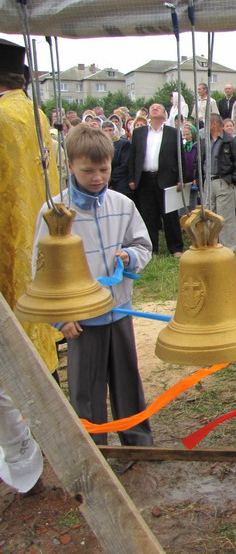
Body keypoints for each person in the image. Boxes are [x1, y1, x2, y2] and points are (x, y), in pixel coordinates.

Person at [35, 124, 153, 447]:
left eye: (104, 169)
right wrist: (61, 317)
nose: (98, 177)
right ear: (70, 165)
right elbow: (42, 272)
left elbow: (143, 245)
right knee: (86, 388)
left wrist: (130, 256)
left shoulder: (122, 205)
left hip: (119, 310)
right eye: (88, 171)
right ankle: (94, 448)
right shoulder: (54, 214)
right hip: (81, 320)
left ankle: (138, 443)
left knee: (128, 381)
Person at [0, 38, 60, 494]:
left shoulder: (3, 117)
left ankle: (23, 453)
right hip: (40, 247)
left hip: (8, 246)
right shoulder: (34, 114)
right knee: (37, 337)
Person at [128, 102, 184, 257]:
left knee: (170, 216)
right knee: (148, 216)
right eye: (152, 107)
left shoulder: (173, 133)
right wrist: (132, 178)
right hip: (145, 179)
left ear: (165, 115)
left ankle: (176, 248)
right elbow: (133, 157)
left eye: (158, 107)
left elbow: (180, 157)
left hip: (167, 179)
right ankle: (150, 248)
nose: (154, 108)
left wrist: (181, 178)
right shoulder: (139, 132)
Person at [196, 113, 236, 250]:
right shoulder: (204, 141)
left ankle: (228, 249)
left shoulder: (230, 142)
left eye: (207, 124)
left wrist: (232, 180)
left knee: (225, 217)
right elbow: (200, 161)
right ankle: (211, 245)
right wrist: (199, 179)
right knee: (208, 215)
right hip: (208, 181)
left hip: (223, 182)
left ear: (214, 124)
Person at [102, 121, 133, 197]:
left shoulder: (124, 143)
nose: (108, 133)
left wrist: (111, 177)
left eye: (110, 130)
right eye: (105, 130)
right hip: (104, 180)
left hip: (120, 181)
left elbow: (124, 164)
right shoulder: (99, 145)